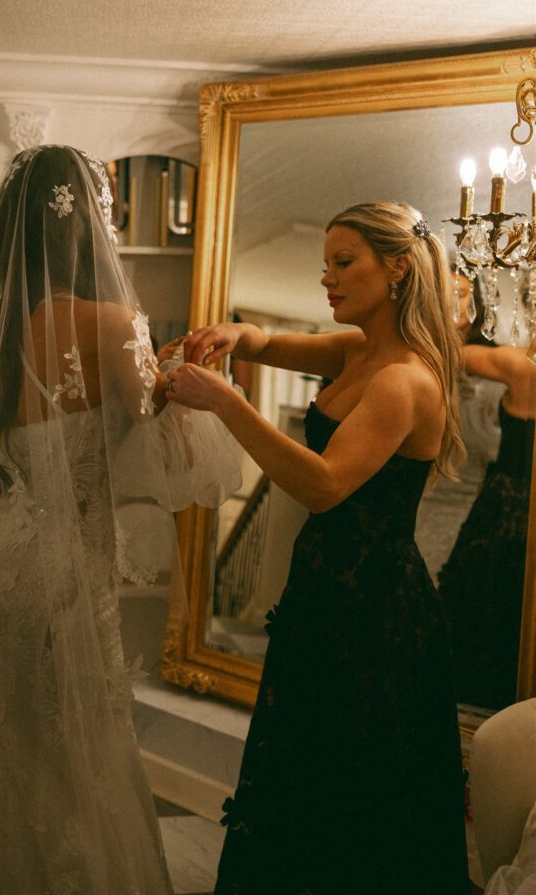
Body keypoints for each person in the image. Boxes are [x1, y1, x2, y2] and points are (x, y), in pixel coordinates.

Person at [0, 145, 242, 894]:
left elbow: (9, 440)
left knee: (6, 747)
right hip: (58, 577)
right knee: (76, 762)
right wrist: (184, 381)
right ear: (88, 226)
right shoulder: (111, 320)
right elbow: (176, 460)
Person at [166, 202, 471, 895]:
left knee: (352, 794)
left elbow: (326, 486)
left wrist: (226, 403)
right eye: (324, 264)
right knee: (303, 775)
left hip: (376, 614)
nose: (327, 279)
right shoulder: (357, 352)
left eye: (343, 262)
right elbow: (267, 342)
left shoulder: (404, 378)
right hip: (326, 595)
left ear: (397, 268)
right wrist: (234, 334)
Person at [438, 337, 535, 709]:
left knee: (479, 610)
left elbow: (449, 353)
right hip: (509, 513)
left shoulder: (521, 366)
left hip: (503, 510)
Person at [416, 270, 504, 582]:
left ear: (476, 301)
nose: (452, 304)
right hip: (416, 492)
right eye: (444, 295)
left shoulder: (493, 364)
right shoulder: (415, 358)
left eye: (462, 294)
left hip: (472, 494)